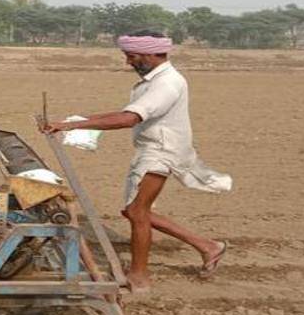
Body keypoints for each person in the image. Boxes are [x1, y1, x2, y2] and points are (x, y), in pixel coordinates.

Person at [41, 30, 231, 293]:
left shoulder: (167, 84)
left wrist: (73, 125)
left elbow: (129, 119)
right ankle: (208, 246)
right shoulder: (154, 80)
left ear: (151, 54)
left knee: (137, 212)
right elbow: (124, 113)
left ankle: (140, 276)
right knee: (132, 211)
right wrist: (72, 123)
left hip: (162, 152)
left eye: (131, 56)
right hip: (152, 149)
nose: (128, 62)